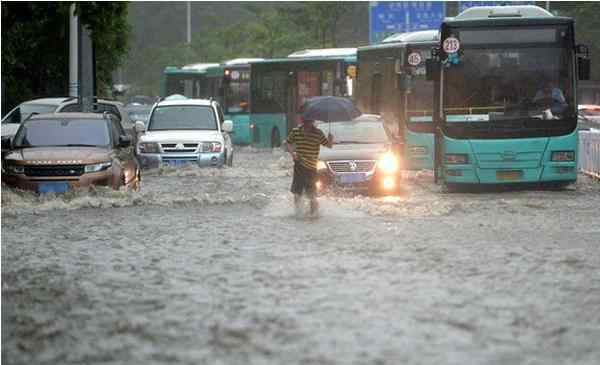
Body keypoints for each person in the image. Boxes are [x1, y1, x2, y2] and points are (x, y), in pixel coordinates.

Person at [286, 118, 333, 217]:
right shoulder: (296, 131)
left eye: (310, 122)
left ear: (312, 122)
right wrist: (292, 153)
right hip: (299, 165)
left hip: (311, 168)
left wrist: (330, 139)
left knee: (312, 194)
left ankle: (314, 214)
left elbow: (329, 145)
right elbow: (288, 143)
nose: (308, 124)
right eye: (306, 122)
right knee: (297, 192)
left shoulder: (318, 133)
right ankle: (298, 213)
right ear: (303, 122)